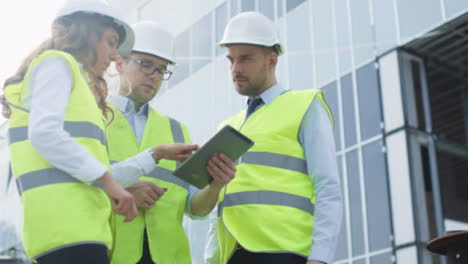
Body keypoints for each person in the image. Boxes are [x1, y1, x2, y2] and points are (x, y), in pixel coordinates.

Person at [1, 0, 197, 263]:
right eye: (111, 42)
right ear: (86, 34)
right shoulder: (57, 64)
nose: (115, 56)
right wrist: (109, 183)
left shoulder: (78, 91)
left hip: (80, 232)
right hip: (67, 231)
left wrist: (149, 158)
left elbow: (88, 170)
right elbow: (44, 134)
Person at [204, 12, 343, 264]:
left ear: (271, 59)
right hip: (232, 255)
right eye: (231, 60)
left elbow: (328, 187)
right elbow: (220, 206)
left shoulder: (305, 105)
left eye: (245, 59)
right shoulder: (228, 127)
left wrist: (320, 258)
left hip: (285, 253)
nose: (236, 69)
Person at [106, 21, 236, 264]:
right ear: (119, 62)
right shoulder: (95, 117)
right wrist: (120, 193)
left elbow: (195, 208)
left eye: (161, 69)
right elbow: (78, 187)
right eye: (146, 65)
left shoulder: (177, 131)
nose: (154, 76)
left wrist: (216, 185)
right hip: (110, 254)